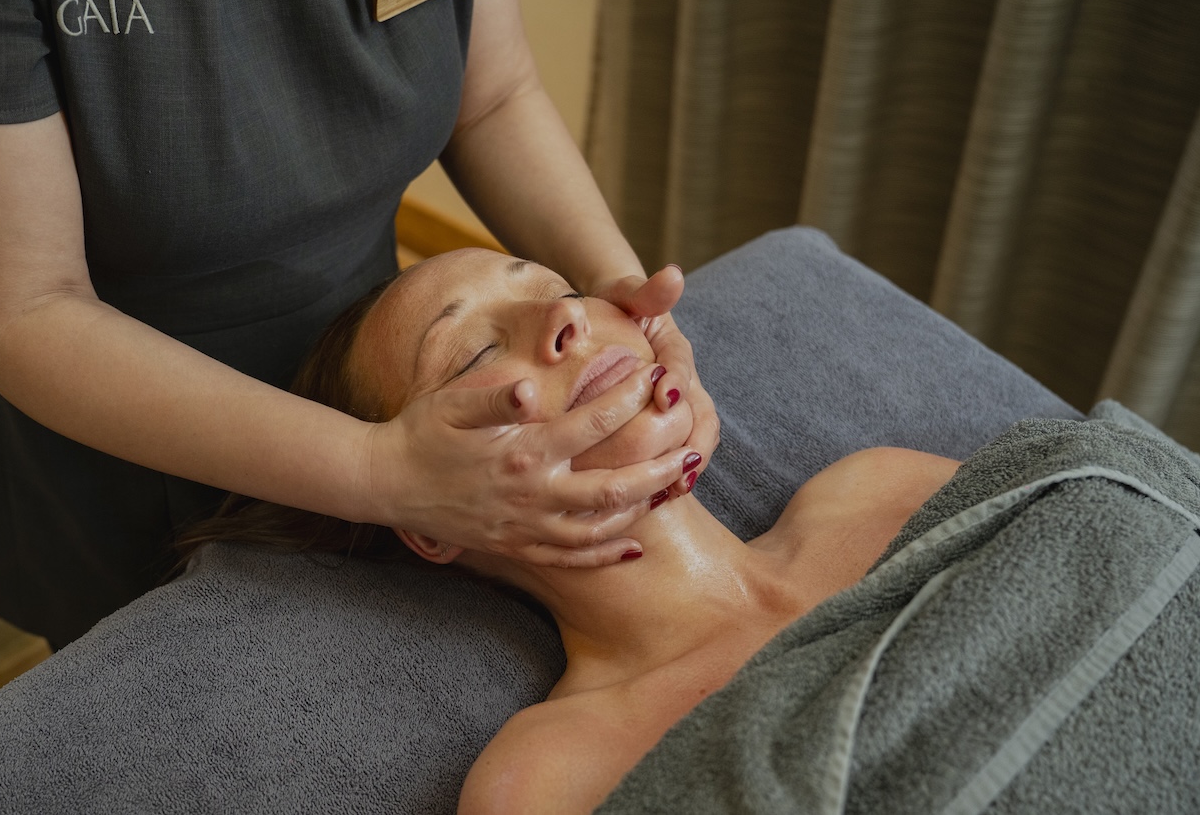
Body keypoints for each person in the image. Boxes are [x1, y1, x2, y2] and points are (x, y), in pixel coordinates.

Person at [0, 0, 717, 648]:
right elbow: (25, 303)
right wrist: (381, 473)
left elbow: (493, 97)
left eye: (541, 283)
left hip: (376, 362)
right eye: (481, 353)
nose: (561, 316)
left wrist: (620, 297)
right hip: (118, 428)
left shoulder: (852, 500)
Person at [177, 247, 962, 813]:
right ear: (428, 522)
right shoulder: (546, 780)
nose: (560, 316)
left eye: (557, 286)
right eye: (474, 351)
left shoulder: (880, 492)